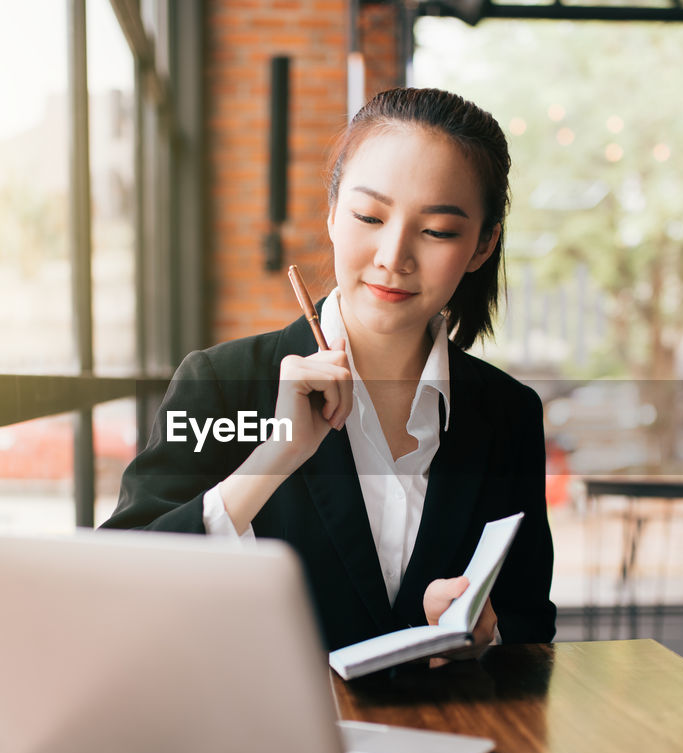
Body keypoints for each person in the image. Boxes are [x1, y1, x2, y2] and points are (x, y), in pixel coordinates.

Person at [102, 87, 555, 655]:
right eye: (370, 215)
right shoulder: (219, 384)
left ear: (484, 244)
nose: (394, 255)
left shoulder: (508, 413)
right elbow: (117, 581)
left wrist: (486, 633)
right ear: (334, 212)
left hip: (446, 738)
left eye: (437, 230)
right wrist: (274, 456)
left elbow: (530, 619)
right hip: (266, 738)